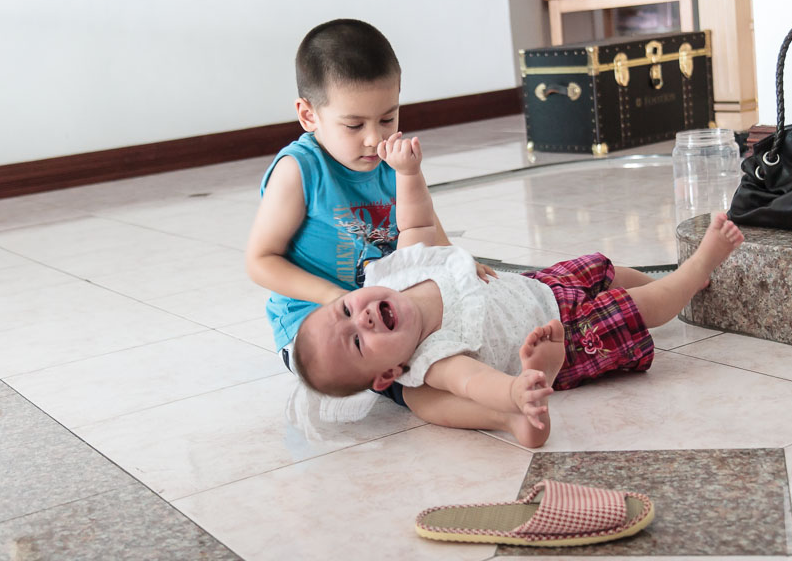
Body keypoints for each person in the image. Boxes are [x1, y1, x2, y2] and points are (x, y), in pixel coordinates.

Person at [291, 134, 746, 448]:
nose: (363, 318)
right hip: (564, 337)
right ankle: (695, 270)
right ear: (388, 374)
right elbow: (474, 383)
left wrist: (408, 174)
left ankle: (676, 284)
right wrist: (517, 391)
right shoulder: (433, 360)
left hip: (538, 288)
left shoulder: (396, 277)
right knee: (639, 308)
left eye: (346, 310)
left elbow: (417, 224)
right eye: (357, 341)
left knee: (611, 272)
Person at [245, 18, 496, 421]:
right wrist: (334, 298)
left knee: (468, 324)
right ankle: (496, 411)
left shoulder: (389, 159)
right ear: (308, 115)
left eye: (387, 119)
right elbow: (260, 261)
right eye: (354, 125)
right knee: (412, 374)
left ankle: (498, 381)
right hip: (318, 329)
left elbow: (424, 222)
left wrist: (456, 260)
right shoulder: (298, 171)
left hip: (386, 310)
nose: (374, 138)